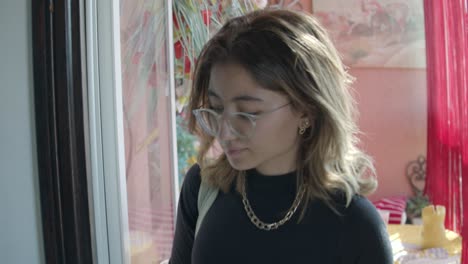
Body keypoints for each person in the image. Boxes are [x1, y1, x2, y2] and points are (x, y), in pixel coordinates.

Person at [169, 8, 393, 264]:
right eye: (217, 109)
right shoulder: (202, 189)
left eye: (248, 112)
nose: (224, 131)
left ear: (306, 109)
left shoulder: (357, 225)